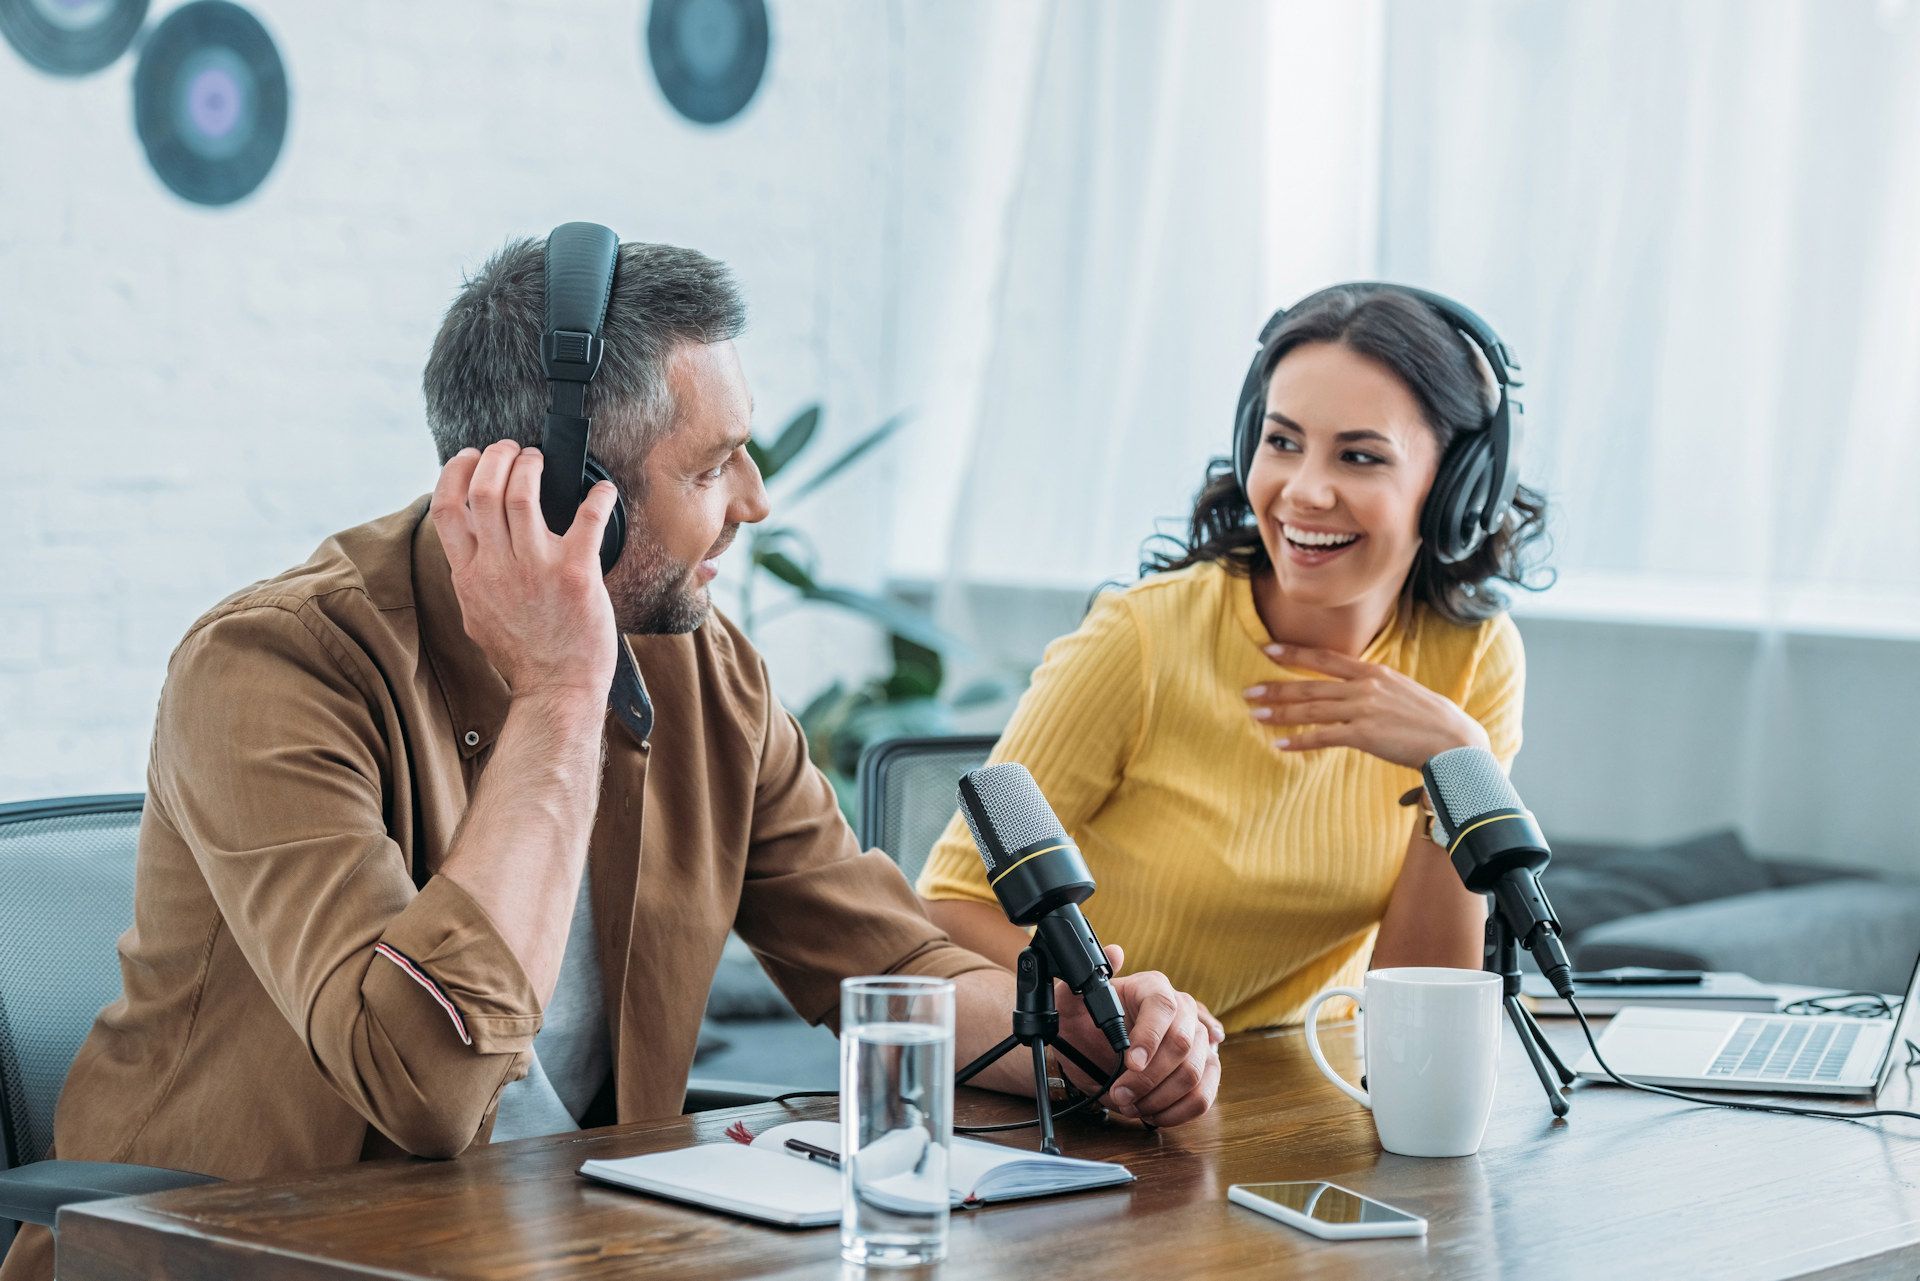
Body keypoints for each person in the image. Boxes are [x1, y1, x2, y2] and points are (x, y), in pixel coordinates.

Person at [0, 233, 1216, 1281]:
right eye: (708, 465)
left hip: (563, 1246)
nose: (754, 503)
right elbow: (424, 1081)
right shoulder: (272, 670)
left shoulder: (704, 671)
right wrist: (564, 684)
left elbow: (883, 964)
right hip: (238, 1257)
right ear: (570, 496)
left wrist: (1084, 1039)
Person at [918, 284, 1551, 1050]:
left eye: (1359, 456)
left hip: (1301, 1096)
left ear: (1457, 485)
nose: (1304, 491)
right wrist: (1120, 1013)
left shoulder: (1473, 658)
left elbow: (1423, 1018)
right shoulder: (1142, 639)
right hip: (1119, 1083)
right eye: (1282, 442)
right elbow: (947, 905)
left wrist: (1458, 765)